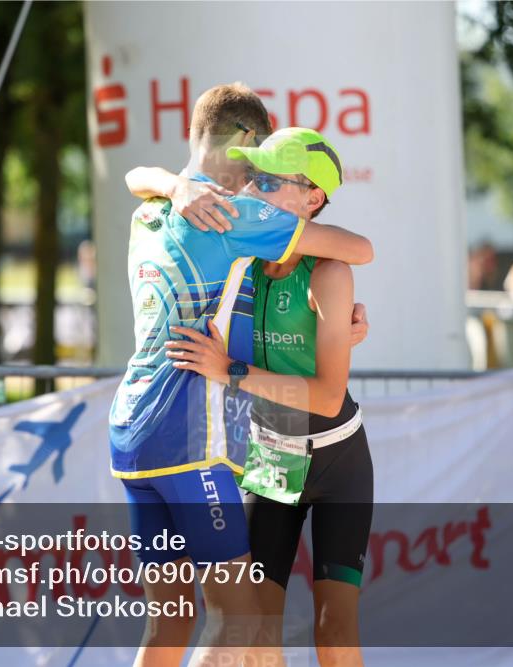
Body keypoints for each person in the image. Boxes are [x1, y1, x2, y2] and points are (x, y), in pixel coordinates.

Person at [111, 84, 373, 667]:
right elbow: (362, 247)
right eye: (257, 169)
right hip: (202, 441)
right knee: (246, 624)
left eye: (273, 176)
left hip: (139, 431)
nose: (256, 181)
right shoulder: (238, 222)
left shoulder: (150, 210)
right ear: (245, 145)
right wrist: (231, 371)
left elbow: (137, 177)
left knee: (179, 622)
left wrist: (170, 180)